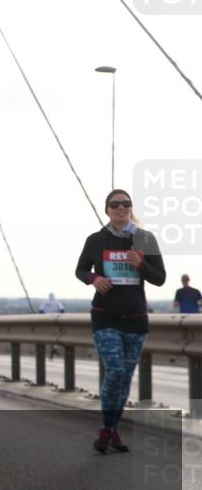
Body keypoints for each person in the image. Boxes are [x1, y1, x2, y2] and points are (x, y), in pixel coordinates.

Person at [76, 189, 165, 454]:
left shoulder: (145, 239)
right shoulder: (96, 240)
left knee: (124, 378)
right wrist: (94, 279)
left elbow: (160, 278)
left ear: (131, 208)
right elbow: (80, 269)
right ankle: (107, 428)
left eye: (126, 203)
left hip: (136, 319)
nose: (121, 207)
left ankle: (111, 430)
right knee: (114, 371)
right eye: (115, 204)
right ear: (107, 209)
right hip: (105, 316)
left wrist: (141, 265)